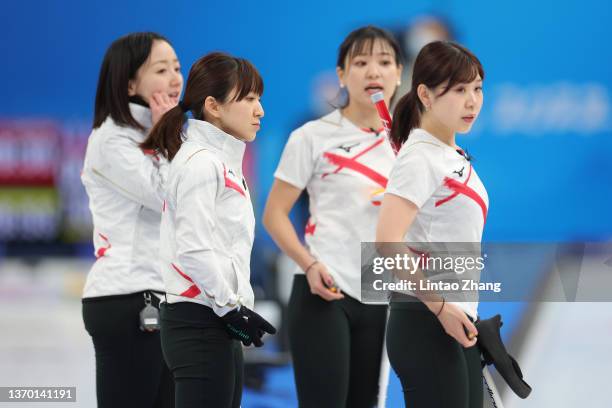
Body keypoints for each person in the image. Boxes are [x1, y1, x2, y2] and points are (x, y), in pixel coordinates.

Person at [263, 26, 403, 408]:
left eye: (384, 62)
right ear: (341, 75)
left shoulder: (409, 144)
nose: (373, 71)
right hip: (322, 290)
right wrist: (308, 264)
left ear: (399, 74)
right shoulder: (311, 137)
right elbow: (274, 214)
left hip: (381, 292)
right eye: (360, 62)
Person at [142, 52, 276, 408]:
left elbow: (224, 249)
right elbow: (194, 248)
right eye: (248, 99)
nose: (259, 110)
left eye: (258, 99)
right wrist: (231, 307)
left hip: (217, 322)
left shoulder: (221, 163)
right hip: (200, 322)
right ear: (213, 106)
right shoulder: (201, 163)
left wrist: (237, 308)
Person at [376, 40, 487, 408]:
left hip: (455, 316)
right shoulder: (420, 158)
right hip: (426, 320)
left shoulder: (449, 155)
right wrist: (440, 306)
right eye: (459, 90)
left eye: (477, 88)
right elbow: (388, 243)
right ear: (424, 93)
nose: (472, 100)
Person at [81, 32, 183, 408]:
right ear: (129, 82)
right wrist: (166, 132)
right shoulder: (111, 139)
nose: (175, 78)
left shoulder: (167, 134)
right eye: (162, 69)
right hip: (129, 299)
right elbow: (170, 198)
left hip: (172, 300)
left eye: (177, 67)